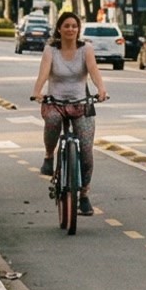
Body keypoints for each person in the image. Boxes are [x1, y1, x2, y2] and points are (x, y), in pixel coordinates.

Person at [39, 12, 104, 215]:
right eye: (66, 26)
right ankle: (49, 155)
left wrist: (101, 89)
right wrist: (37, 92)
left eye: (74, 26)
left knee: (86, 150)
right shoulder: (51, 50)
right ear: (59, 28)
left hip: (81, 104)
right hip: (55, 102)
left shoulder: (86, 49)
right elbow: (43, 73)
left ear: (78, 29)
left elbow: (93, 71)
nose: (70, 29)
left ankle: (84, 194)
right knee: (52, 120)